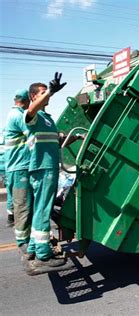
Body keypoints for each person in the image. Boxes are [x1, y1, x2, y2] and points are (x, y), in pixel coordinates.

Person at [24, 73, 67, 270]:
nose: (46, 97)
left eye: (46, 93)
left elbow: (57, 139)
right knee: (43, 208)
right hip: (42, 168)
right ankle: (43, 255)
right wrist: (50, 91)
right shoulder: (32, 115)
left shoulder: (47, 118)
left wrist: (78, 137)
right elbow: (31, 110)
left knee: (41, 209)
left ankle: (34, 247)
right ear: (33, 96)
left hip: (48, 168)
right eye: (42, 94)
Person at [4, 89, 32, 254]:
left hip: (15, 167)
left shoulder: (11, 114)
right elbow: (34, 136)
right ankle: (23, 243)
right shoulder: (19, 116)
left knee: (20, 205)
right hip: (20, 167)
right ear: (27, 100)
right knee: (23, 207)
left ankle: (24, 238)